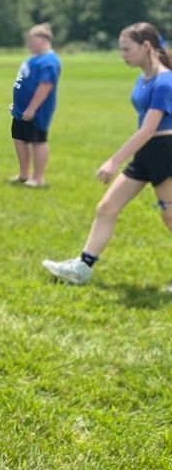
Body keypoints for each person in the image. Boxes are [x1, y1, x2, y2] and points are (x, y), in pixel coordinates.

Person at [43, 21, 172, 286]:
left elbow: (148, 129)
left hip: (164, 152)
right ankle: (83, 268)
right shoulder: (144, 77)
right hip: (146, 153)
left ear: (146, 47)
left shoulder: (164, 82)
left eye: (126, 49)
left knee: (169, 215)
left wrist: (114, 161)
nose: (122, 55)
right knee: (106, 208)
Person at [9, 24, 61, 188]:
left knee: (37, 141)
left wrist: (32, 108)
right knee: (19, 138)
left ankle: (38, 178)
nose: (29, 44)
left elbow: (45, 86)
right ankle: (24, 175)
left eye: (32, 41)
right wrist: (17, 104)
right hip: (20, 110)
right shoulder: (33, 59)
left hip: (37, 111)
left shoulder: (49, 61)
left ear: (43, 40)